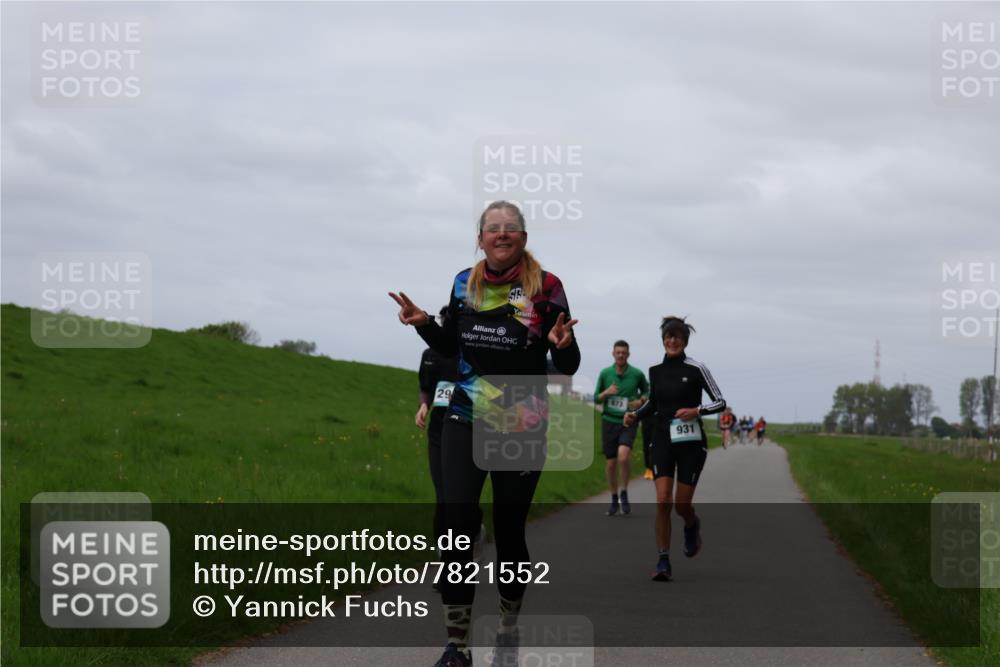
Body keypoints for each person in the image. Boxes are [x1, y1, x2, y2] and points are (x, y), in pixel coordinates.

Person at [390, 200, 580, 667]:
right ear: (480, 239)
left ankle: (509, 625)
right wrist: (424, 327)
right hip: (464, 412)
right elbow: (452, 347)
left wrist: (565, 345)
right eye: (492, 228)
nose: (501, 234)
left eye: (510, 228)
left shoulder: (547, 287)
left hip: (521, 422)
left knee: (509, 531)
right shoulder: (463, 282)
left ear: (523, 238)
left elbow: (568, 363)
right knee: (456, 526)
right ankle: (457, 645)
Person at [624, 316, 725, 581]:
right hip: (662, 438)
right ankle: (663, 561)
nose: (672, 341)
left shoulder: (696, 368)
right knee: (662, 501)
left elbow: (720, 402)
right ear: (663, 340)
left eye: (677, 337)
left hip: (691, 443)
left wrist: (696, 410)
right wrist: (635, 414)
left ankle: (691, 524)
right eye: (668, 337)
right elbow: (653, 404)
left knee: (681, 505)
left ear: (685, 341)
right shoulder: (655, 370)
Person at [594, 340, 649, 515]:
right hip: (609, 421)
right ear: (613, 354)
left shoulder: (637, 374)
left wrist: (640, 400)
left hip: (628, 420)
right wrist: (606, 392)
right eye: (618, 352)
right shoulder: (605, 374)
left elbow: (648, 392)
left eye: (623, 352)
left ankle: (624, 492)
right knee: (611, 464)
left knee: (623, 457)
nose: (620, 355)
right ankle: (613, 497)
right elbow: (596, 398)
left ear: (628, 354)